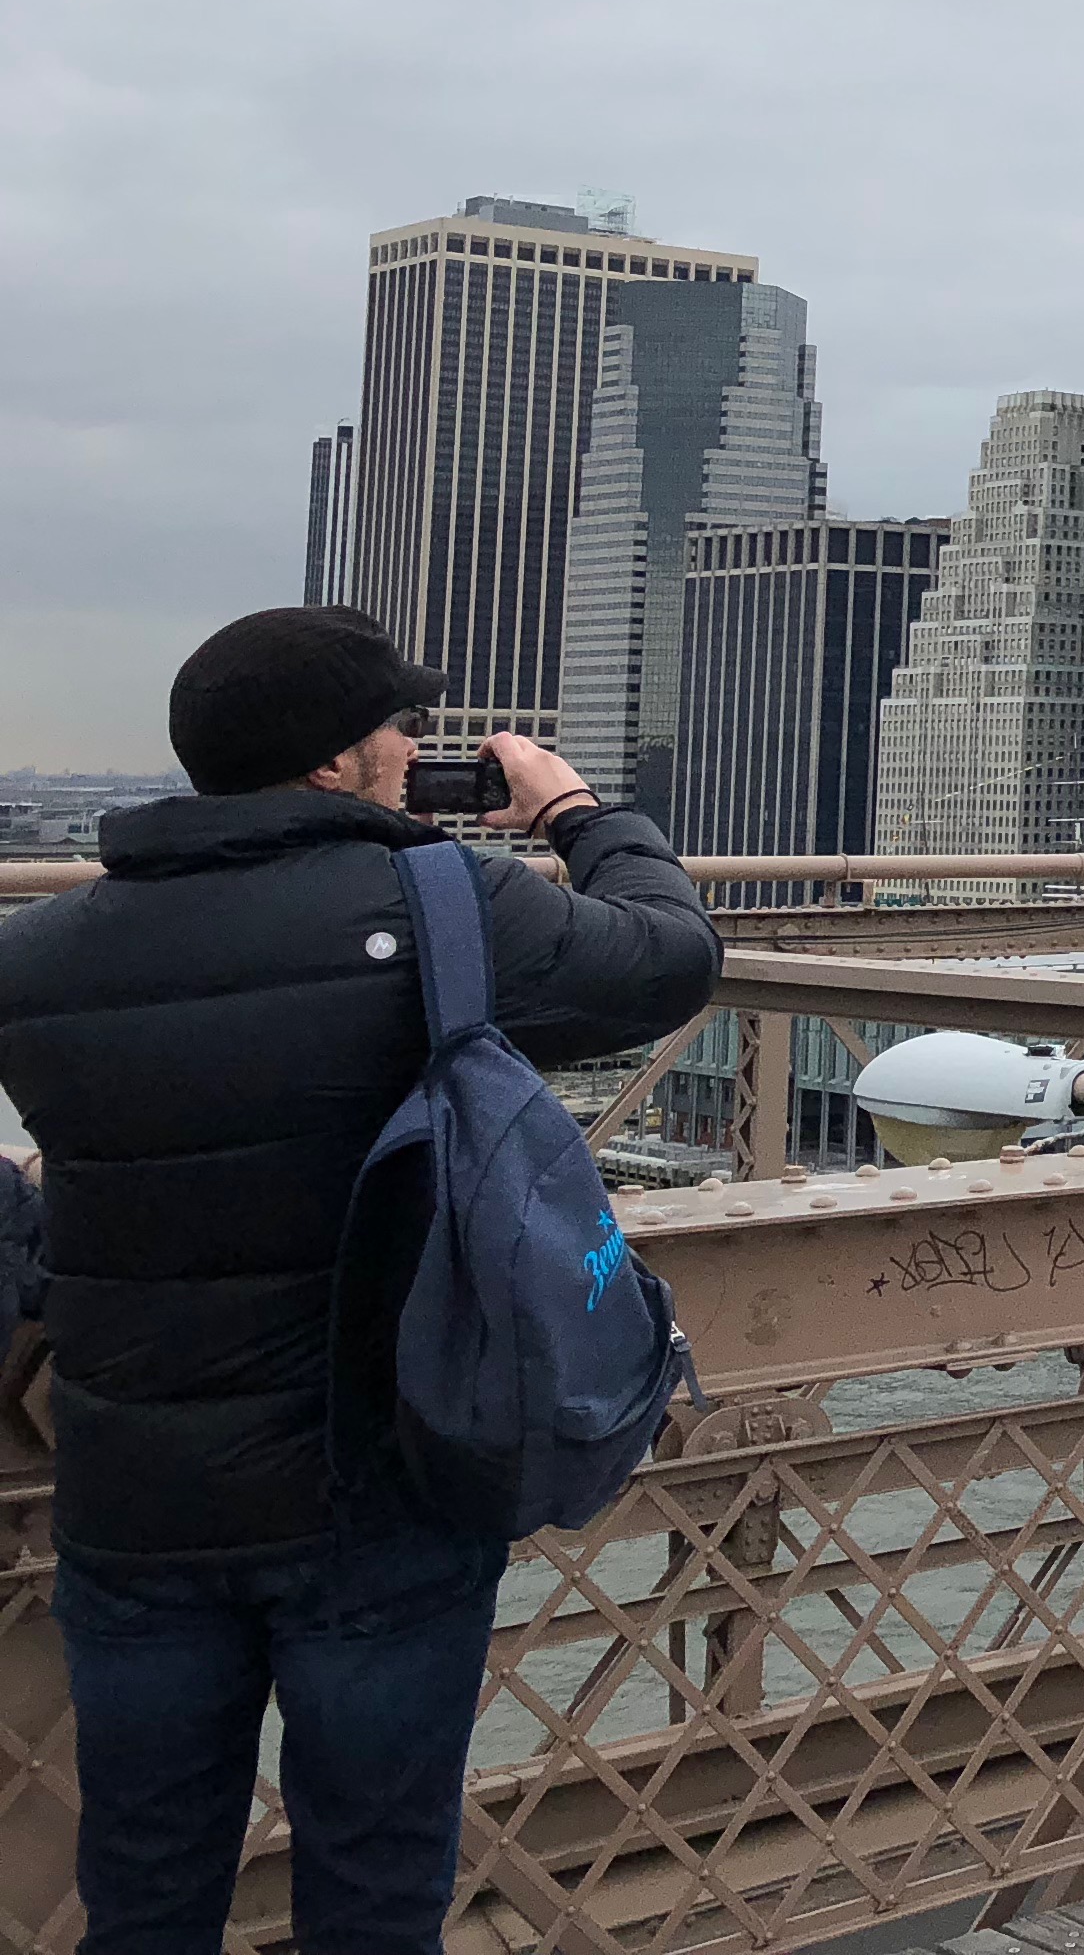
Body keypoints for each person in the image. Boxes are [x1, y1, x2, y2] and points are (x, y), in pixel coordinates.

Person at [0, 606, 722, 1955]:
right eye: (398, 728)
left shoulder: (39, 957)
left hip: (135, 1506)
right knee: (376, 1895)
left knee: (145, 1894)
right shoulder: (442, 905)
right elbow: (670, 957)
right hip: (374, 1496)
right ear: (335, 765)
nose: (412, 751)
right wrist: (573, 809)